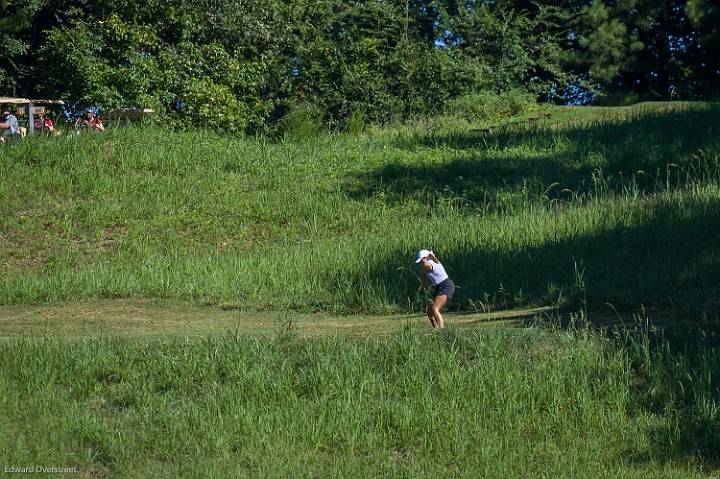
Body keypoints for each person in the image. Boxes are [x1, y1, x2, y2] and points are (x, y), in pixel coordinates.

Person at [416, 249, 455, 329]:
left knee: (435, 309)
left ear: (427, 257)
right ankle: (435, 329)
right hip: (438, 287)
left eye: (423, 259)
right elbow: (424, 279)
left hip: (446, 286)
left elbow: (426, 268)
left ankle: (441, 331)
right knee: (429, 312)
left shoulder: (431, 263)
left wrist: (431, 256)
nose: (422, 262)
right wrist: (423, 286)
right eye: (421, 260)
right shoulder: (426, 267)